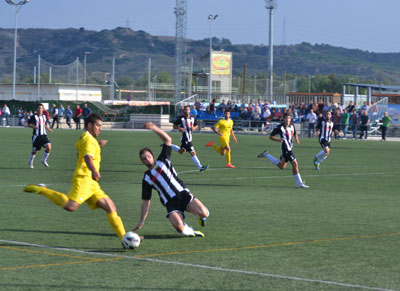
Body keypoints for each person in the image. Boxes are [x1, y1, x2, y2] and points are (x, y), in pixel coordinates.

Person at [24, 113, 127, 247]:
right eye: (98, 125)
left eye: (101, 126)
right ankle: (42, 190)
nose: (100, 129)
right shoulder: (87, 139)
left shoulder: (88, 139)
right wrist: (94, 170)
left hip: (92, 182)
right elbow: (87, 158)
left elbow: (83, 151)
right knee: (71, 206)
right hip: (84, 178)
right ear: (90, 125)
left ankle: (124, 238)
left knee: (110, 207)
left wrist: (98, 145)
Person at [132, 122, 209, 238]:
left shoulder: (163, 160)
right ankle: (191, 231)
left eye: (148, 156)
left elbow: (168, 140)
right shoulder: (147, 178)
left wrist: (154, 127)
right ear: (142, 162)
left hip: (182, 194)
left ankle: (202, 218)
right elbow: (145, 201)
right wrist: (142, 220)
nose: (147, 159)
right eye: (144, 159)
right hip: (170, 203)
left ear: (152, 156)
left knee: (204, 213)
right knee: (179, 228)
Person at [257, 114, 309, 188]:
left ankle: (266, 155)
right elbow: (271, 136)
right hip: (286, 148)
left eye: (289, 118)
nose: (287, 119)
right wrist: (279, 139)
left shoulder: (292, 126)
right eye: (286, 118)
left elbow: (295, 134)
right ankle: (299, 183)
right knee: (295, 163)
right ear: (283, 119)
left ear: (290, 119)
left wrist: (297, 139)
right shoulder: (280, 127)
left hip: (290, 147)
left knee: (282, 166)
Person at [172, 105, 208, 172]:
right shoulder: (181, 118)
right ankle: (200, 167)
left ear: (189, 111)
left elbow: (196, 125)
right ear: (183, 111)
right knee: (193, 152)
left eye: (188, 109)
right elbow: (174, 125)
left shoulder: (192, 118)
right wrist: (179, 128)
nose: (187, 111)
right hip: (185, 138)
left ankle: (169, 145)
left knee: (181, 151)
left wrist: (194, 128)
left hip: (189, 138)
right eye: (185, 109)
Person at [27, 103, 53, 169]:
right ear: (37, 109)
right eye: (39, 108)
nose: (40, 109)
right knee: (34, 151)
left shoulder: (44, 116)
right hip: (36, 136)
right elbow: (29, 124)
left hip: (44, 135)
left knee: (49, 147)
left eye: (41, 108)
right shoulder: (33, 116)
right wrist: (34, 126)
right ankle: (30, 161)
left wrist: (49, 129)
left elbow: (44, 124)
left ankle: (43, 160)